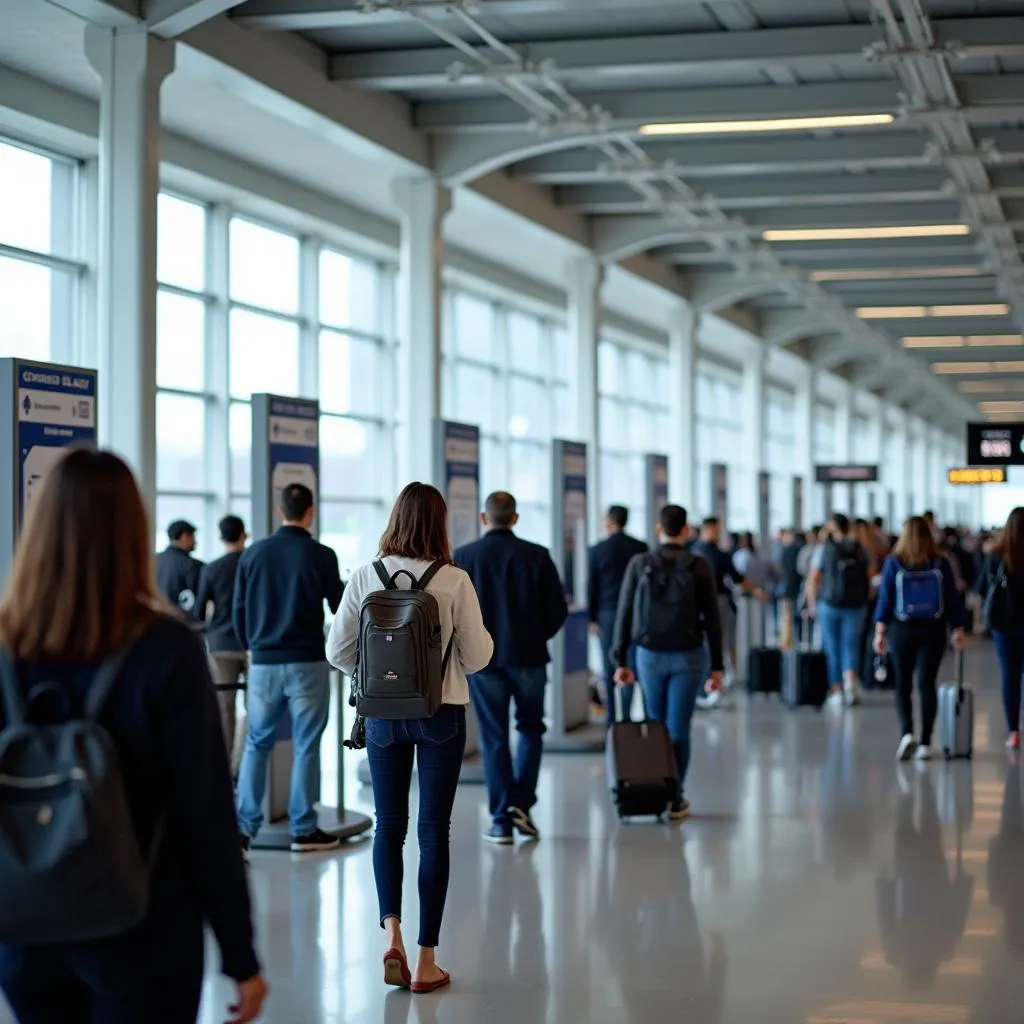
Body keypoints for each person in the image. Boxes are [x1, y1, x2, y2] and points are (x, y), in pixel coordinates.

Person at [0, 448, 266, 1024]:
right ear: (131, 531)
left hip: (23, 927)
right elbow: (205, 811)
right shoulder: (164, 649)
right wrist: (239, 953)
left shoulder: (6, 647)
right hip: (143, 925)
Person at [326, 483, 493, 993]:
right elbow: (480, 656)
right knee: (432, 830)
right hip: (440, 714)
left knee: (388, 826)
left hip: (379, 718)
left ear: (394, 518)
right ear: (440, 524)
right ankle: (426, 960)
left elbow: (338, 652)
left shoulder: (364, 575)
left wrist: (382, 672)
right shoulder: (453, 580)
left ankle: (391, 934)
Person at [233, 483, 345, 853]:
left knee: (256, 743)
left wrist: (251, 648)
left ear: (280, 511)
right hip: (307, 661)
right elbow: (338, 607)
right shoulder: (322, 555)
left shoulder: (253, 554)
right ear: (310, 512)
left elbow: (239, 612)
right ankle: (303, 827)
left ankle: (244, 828)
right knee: (307, 743)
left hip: (263, 663)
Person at [454, 491, 568, 844]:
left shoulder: (465, 557)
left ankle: (501, 819)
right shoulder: (537, 556)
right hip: (530, 658)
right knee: (531, 728)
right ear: (515, 518)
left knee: (494, 737)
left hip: (485, 663)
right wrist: (535, 636)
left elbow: (455, 613)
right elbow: (557, 611)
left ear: (484, 518)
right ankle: (522, 803)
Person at [611, 504, 724, 821]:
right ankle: (674, 798)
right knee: (679, 729)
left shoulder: (640, 563)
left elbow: (625, 613)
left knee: (655, 725)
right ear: (686, 530)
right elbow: (713, 619)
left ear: (658, 529)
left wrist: (620, 659)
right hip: (688, 655)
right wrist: (717, 666)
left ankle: (655, 791)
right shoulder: (698, 565)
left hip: (649, 656)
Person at [873, 516, 966, 762]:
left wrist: (880, 631)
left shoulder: (894, 562)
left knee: (903, 683)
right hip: (933, 630)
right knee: (927, 683)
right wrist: (957, 628)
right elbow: (952, 598)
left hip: (901, 629)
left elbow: (886, 598)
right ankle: (925, 741)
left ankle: (906, 734)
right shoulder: (939, 562)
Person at [195, 514, 249, 772]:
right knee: (255, 710)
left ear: (220, 537)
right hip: (251, 643)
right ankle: (244, 764)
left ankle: (225, 770)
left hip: (220, 643)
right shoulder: (252, 563)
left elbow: (198, 609)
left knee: (224, 709)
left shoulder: (211, 568)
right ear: (244, 534)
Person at [691, 516, 762, 703]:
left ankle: (711, 686)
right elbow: (737, 578)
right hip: (714, 603)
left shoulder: (699, 552)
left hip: (705, 603)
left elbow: (736, 577)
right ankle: (709, 687)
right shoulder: (707, 554)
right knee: (714, 644)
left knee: (714, 644)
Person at [587, 505, 647, 722]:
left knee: (608, 664)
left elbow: (591, 586)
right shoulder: (640, 547)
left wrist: (592, 618)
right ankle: (628, 714)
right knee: (630, 663)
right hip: (635, 615)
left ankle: (613, 719)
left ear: (609, 521)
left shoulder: (597, 550)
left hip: (607, 614)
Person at [806, 513, 872, 709]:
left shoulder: (823, 549)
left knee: (831, 648)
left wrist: (811, 603)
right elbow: (870, 573)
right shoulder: (859, 548)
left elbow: (814, 578)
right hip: (856, 605)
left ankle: (836, 690)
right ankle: (851, 684)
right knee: (851, 646)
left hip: (829, 604)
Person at [980, 507, 1024, 751]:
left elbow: (982, 587)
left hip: (1003, 623)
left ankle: (1013, 731)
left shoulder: (996, 555)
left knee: (1010, 674)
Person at [156, 519, 204, 615]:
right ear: (184, 537)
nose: (195, 542)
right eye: (193, 537)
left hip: (154, 619)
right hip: (183, 621)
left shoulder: (153, 560)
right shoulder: (193, 565)